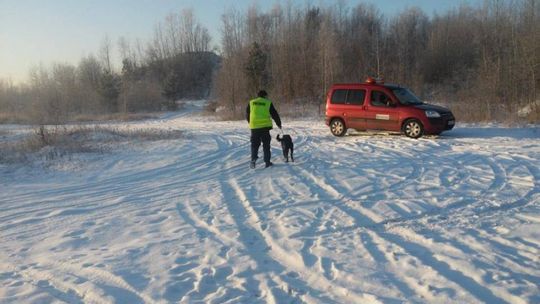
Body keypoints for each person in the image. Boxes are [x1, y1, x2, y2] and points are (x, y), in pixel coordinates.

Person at [246, 90, 282, 168]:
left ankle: (253, 160)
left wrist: (250, 122)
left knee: (254, 145)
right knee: (266, 145)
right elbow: (274, 114)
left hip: (254, 128)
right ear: (265, 96)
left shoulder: (251, 102)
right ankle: (267, 162)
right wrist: (279, 124)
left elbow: (247, 114)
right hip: (265, 128)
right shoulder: (267, 102)